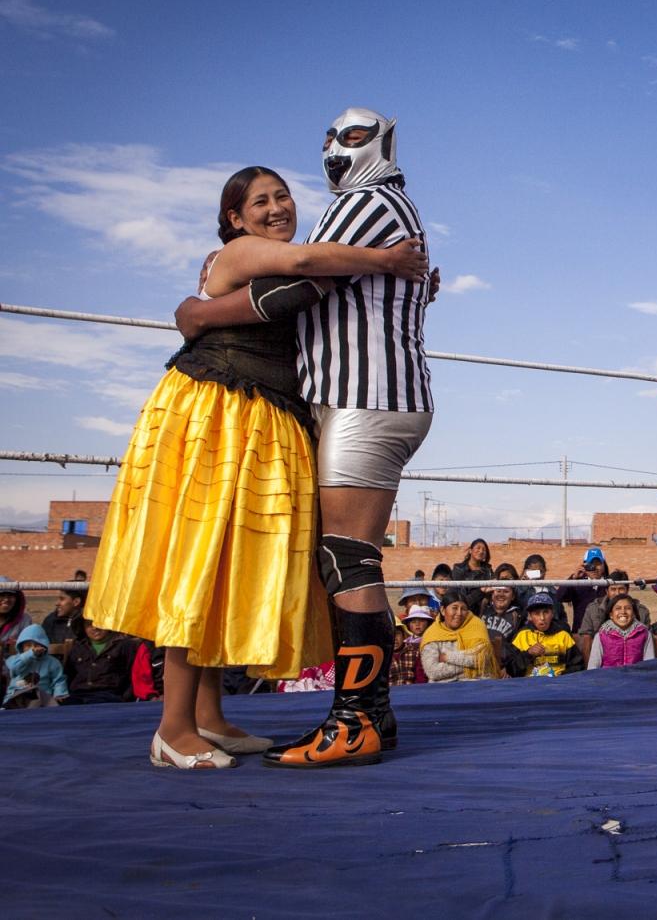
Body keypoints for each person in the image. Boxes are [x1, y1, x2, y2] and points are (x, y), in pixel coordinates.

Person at [93, 165, 426, 770]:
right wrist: (387, 260)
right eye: (259, 201)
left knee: (226, 566)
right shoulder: (243, 253)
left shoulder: (286, 255)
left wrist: (415, 284)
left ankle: (208, 716)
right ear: (234, 219)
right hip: (219, 411)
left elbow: (317, 290)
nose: (276, 208)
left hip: (260, 417)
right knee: (200, 562)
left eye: (283, 196)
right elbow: (303, 277)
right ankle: (172, 728)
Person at [176, 114, 437, 768]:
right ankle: (363, 719)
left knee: (349, 559)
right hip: (357, 398)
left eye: (347, 137)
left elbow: (303, 276)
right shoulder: (373, 208)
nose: (330, 150)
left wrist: (198, 311)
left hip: (366, 397)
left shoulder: (368, 202)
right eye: (326, 140)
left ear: (382, 143)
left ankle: (358, 723)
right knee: (342, 557)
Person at [421, 596, 500, 684]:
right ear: (443, 610)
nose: (459, 613)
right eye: (454, 608)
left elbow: (481, 659)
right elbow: (433, 672)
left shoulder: (477, 626)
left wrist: (447, 657)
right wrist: (470, 666)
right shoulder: (432, 633)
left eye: (463, 609)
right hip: (443, 688)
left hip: (478, 683)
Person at [61, 618, 139, 704]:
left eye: (99, 622)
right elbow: (68, 675)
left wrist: (125, 698)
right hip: (78, 695)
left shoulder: (124, 645)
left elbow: (135, 674)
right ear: (83, 628)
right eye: (89, 624)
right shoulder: (78, 647)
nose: (94, 628)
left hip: (110, 696)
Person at [577, 570, 650, 662]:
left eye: (621, 589)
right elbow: (586, 639)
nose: (617, 593)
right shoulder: (593, 609)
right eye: (613, 589)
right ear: (607, 591)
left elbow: (646, 639)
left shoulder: (641, 611)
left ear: (627, 590)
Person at [512, 593, 584, 676]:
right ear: (529, 616)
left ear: (552, 613)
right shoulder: (522, 636)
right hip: (530, 685)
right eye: (537, 613)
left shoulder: (563, 636)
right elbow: (512, 670)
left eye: (546, 612)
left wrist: (561, 677)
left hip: (559, 684)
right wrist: (528, 654)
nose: (542, 618)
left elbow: (578, 666)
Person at [3, 624, 67, 709]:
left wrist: (59, 693)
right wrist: (30, 655)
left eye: (37, 645)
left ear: (44, 646)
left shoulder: (52, 662)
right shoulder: (15, 659)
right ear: (21, 647)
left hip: (42, 697)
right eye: (28, 645)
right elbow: (14, 669)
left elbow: (58, 680)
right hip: (16, 696)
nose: (33, 648)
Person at [588, 595, 655, 669]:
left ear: (633, 614)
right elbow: (593, 667)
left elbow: (649, 664)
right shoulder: (601, 635)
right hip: (607, 678)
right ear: (611, 615)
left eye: (628, 608)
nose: (623, 611)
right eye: (618, 608)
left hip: (636, 677)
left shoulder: (644, 634)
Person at [564, 548, 610, 632]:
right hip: (580, 633)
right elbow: (561, 597)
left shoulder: (609, 584)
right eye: (590, 564)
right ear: (584, 565)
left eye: (598, 564)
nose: (594, 567)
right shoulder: (578, 583)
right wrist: (573, 577)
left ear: (604, 565)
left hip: (605, 633)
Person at [391, 605, 433, 687]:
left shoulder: (414, 651)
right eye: (389, 635)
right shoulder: (383, 656)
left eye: (397, 634)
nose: (394, 639)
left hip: (411, 691)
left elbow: (420, 677)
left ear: (403, 635)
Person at [452, 540, 495, 613]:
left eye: (484, 550)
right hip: (463, 611)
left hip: (483, 611)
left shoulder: (488, 571)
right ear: (470, 550)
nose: (481, 551)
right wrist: (481, 591)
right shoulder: (458, 569)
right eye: (478, 548)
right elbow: (460, 598)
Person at [40, 589, 85, 653]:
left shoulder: (87, 623)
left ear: (76, 602)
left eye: (62, 599)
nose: (57, 603)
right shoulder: (50, 620)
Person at [0, 579, 33, 657]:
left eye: (10, 595)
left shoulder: (25, 620)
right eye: (1, 595)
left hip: (15, 666)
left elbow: (28, 650)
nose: (6, 599)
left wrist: (18, 645)